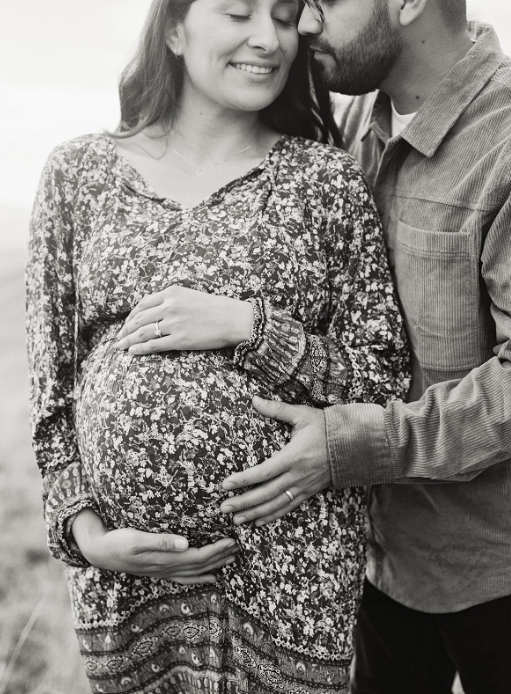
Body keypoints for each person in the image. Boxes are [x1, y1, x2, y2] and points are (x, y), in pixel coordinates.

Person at [26, 0, 409, 691]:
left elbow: (381, 380)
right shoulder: (77, 175)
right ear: (174, 28)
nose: (268, 39)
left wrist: (251, 327)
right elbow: (52, 396)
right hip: (130, 593)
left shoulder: (325, 182)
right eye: (237, 13)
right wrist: (87, 537)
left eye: (284, 17)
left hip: (293, 580)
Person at [219, 1, 511, 693]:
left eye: (326, 1)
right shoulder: (346, 123)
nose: (306, 24)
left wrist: (359, 445)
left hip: (495, 575)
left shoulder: (502, 145)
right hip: (377, 561)